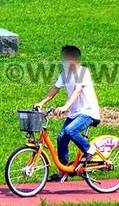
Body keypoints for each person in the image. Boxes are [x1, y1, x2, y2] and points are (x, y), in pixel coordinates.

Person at [34, 45, 101, 182]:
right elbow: (55, 89)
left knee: (70, 130)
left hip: (88, 112)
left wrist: (65, 106)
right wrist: (41, 103)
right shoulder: (65, 74)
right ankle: (63, 171)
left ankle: (89, 151)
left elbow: (77, 91)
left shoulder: (83, 72)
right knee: (61, 138)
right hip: (75, 113)